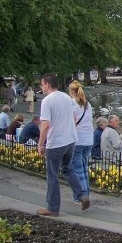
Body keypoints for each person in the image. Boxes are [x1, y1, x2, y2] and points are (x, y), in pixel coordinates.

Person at [36, 73, 90, 217]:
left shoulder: (47, 101)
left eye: (41, 84)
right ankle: (82, 195)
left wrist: (40, 144)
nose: (41, 87)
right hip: (70, 140)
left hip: (56, 142)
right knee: (68, 169)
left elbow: (45, 125)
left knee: (52, 175)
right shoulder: (66, 98)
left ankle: (53, 208)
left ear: (47, 84)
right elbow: (73, 117)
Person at [68, 80, 94, 204]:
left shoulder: (72, 104)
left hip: (78, 140)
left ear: (72, 92)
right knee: (84, 168)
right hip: (89, 140)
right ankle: (86, 194)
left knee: (77, 170)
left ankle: (81, 197)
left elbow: (71, 123)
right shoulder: (87, 104)